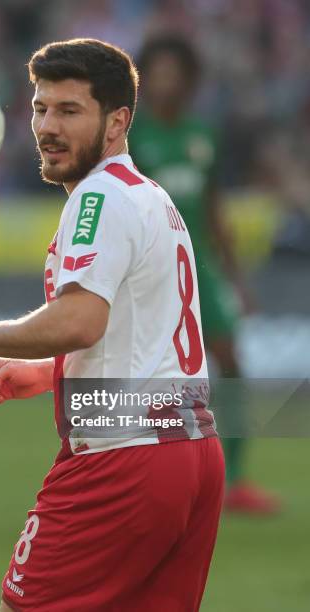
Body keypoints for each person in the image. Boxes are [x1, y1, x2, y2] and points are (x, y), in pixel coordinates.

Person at [0, 38, 225, 612]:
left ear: (118, 122)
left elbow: (82, 320)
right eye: (40, 108)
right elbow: (138, 335)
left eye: (69, 111)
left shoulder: (99, 197)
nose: (47, 127)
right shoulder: (151, 197)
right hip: (191, 451)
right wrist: (46, 371)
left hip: (123, 459)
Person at [129, 34, 281, 515]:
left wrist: (235, 277)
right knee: (153, 381)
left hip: (201, 273)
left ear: (189, 79)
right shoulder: (132, 137)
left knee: (231, 363)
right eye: (157, 71)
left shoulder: (202, 134)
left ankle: (233, 478)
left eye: (174, 71)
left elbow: (213, 210)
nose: (165, 81)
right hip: (151, 276)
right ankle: (149, 480)